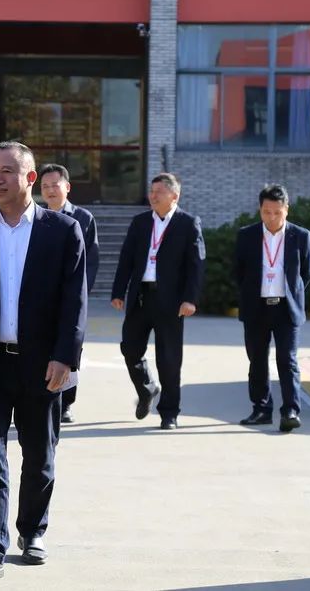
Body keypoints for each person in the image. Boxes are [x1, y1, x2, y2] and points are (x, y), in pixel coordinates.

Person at [0, 141, 86, 584]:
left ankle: (33, 530)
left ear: (30, 178)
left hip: (41, 365)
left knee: (39, 455)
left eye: (6, 171)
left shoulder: (62, 231)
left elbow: (74, 302)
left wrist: (65, 357)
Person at [111, 173, 205, 431]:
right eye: (151, 192)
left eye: (159, 192)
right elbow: (127, 258)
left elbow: (196, 265)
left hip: (171, 302)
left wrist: (190, 299)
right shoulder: (140, 222)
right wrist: (118, 291)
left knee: (169, 359)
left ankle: (169, 413)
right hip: (141, 297)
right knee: (130, 348)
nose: (153, 196)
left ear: (175, 196)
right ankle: (147, 388)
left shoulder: (188, 223)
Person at [233, 184, 310, 433]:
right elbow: (238, 272)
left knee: (287, 360)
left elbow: (306, 273)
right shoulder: (246, 236)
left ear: (286, 209)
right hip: (256, 307)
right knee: (257, 360)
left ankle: (290, 410)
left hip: (286, 308)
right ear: (260, 210)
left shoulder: (300, 236)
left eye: (277, 212)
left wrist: (290, 293)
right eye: (267, 212)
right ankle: (261, 409)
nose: (272, 218)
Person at [38, 163, 99, 424]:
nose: (50, 190)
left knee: (71, 348)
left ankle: (66, 404)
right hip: (42, 298)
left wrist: (81, 293)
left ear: (67, 187)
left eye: (55, 185)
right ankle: (44, 396)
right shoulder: (36, 216)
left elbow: (91, 260)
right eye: (45, 186)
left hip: (71, 296)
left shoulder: (83, 218)